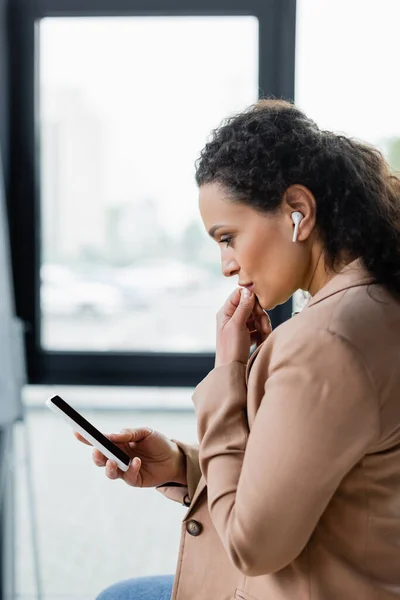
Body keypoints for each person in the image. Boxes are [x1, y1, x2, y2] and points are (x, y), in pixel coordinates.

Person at [76, 98, 400, 600]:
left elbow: (252, 548)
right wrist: (185, 466)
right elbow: (318, 477)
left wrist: (230, 372)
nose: (226, 264)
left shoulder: (325, 340)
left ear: (299, 211)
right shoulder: (372, 304)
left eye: (228, 237)